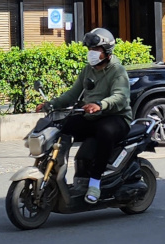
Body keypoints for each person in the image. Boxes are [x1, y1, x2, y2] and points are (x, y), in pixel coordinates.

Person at [43, 27, 132, 203]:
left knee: (105, 132)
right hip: (92, 116)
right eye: (90, 49)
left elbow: (120, 97)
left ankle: (95, 182)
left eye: (96, 49)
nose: (92, 52)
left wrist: (100, 104)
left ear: (106, 51)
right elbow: (72, 94)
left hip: (117, 117)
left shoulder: (118, 70)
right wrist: (51, 104)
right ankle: (55, 169)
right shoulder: (87, 70)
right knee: (63, 126)